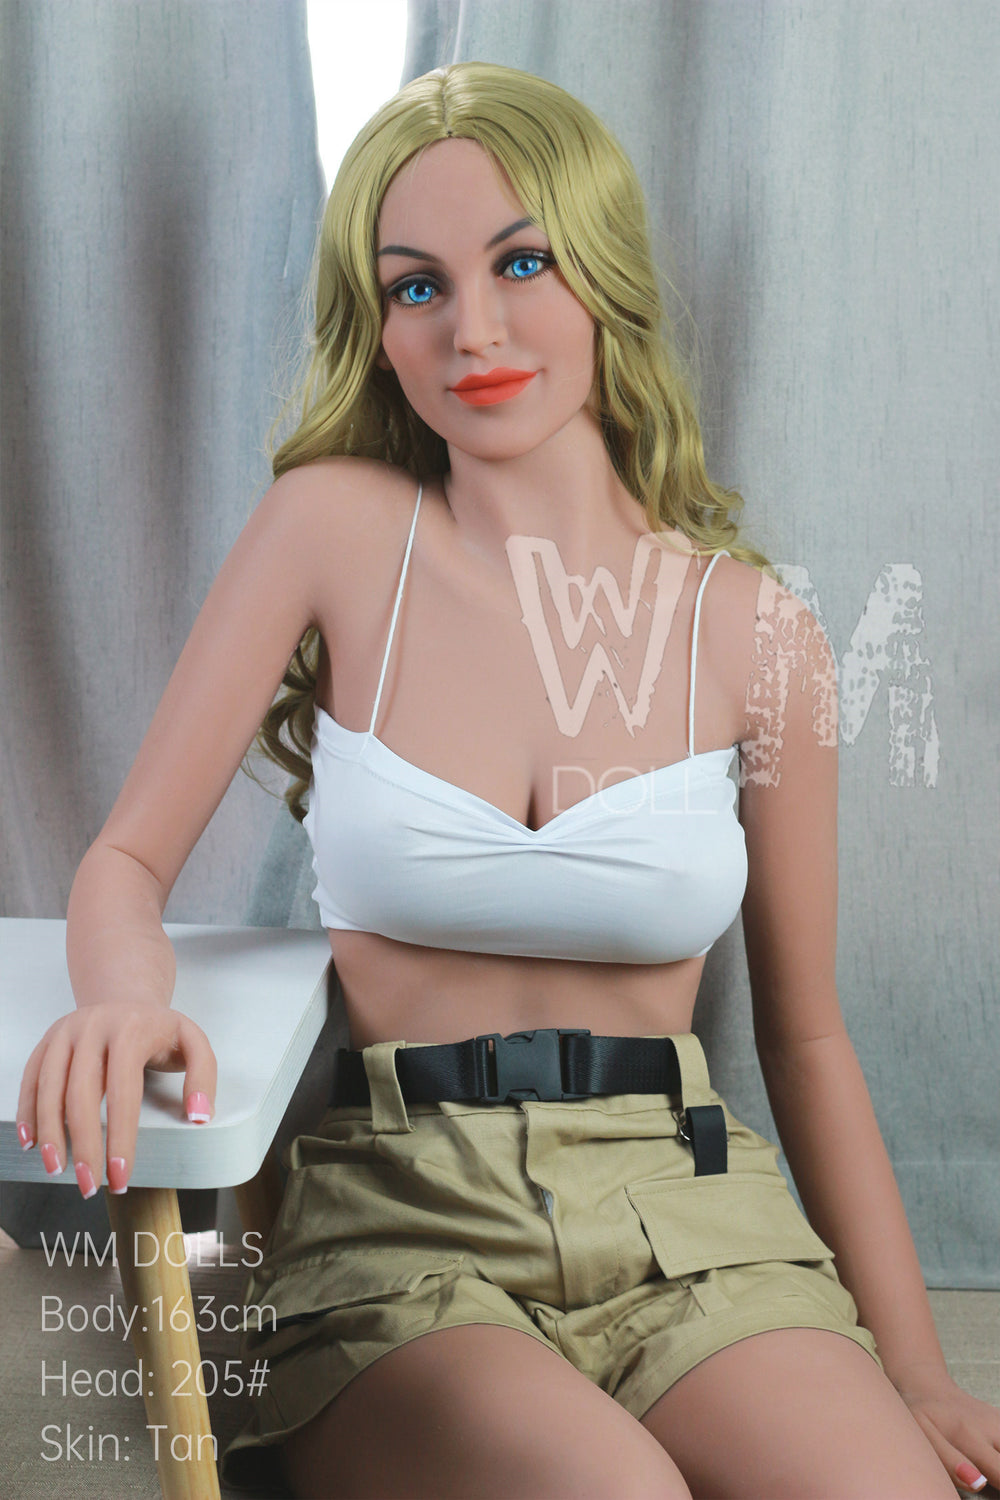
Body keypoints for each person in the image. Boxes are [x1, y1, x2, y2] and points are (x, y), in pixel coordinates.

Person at [15, 60, 999, 1500]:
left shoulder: (758, 631)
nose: (471, 329)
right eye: (417, 287)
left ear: (602, 274)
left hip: (691, 1211)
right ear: (379, 327)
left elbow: (806, 1038)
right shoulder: (334, 532)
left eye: (520, 263)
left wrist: (913, 1368)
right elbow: (124, 862)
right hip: (403, 1217)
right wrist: (121, 997)